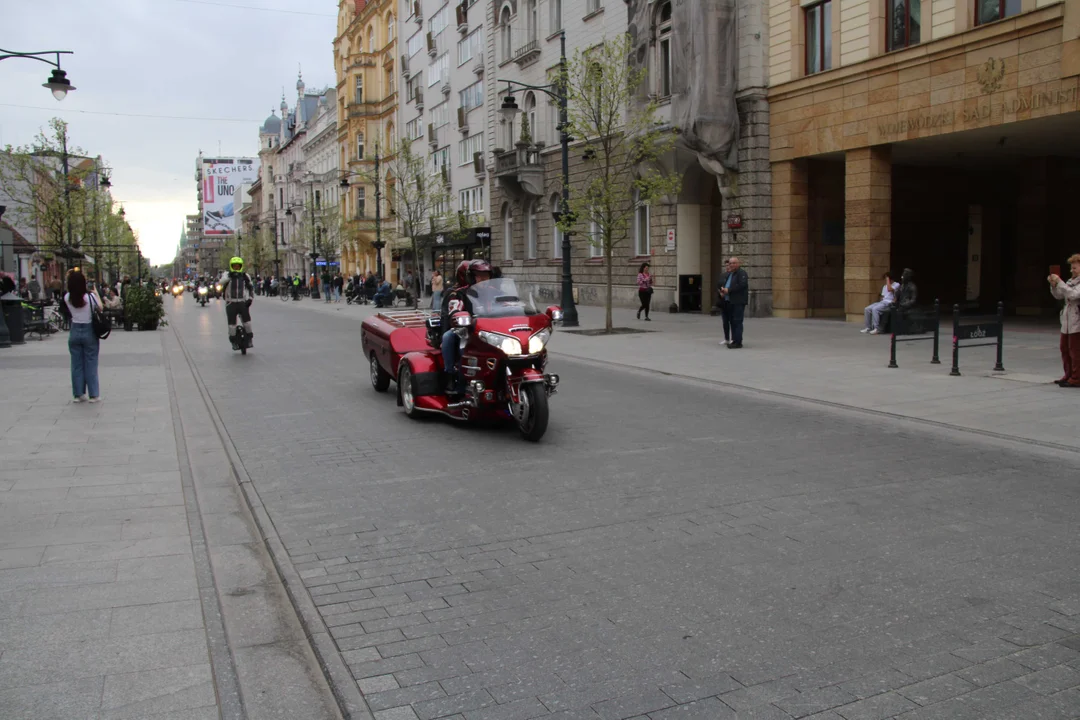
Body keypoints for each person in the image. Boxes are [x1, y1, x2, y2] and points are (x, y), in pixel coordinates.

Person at [441, 259, 491, 396]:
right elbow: (453, 311)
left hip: (492, 330)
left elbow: (510, 304)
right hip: (468, 330)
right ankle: (450, 375)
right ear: (471, 277)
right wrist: (458, 316)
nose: (483, 279)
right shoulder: (460, 293)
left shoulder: (495, 292)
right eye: (479, 276)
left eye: (486, 276)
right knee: (448, 337)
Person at [65, 270, 102, 403]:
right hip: (89, 330)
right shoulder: (90, 298)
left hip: (74, 330)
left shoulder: (67, 297)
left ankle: (78, 394)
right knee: (91, 363)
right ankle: (94, 394)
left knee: (76, 364)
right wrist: (95, 292)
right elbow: (100, 307)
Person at [1049, 254, 1080, 388]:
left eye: (1075, 267)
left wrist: (1060, 282)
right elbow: (1059, 296)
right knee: (1064, 349)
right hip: (1067, 321)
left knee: (1075, 351)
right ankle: (1068, 374)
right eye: (1071, 267)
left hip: (1077, 321)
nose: (1072, 270)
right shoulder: (1069, 281)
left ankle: (1077, 377)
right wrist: (1054, 285)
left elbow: (1073, 295)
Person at [219, 256, 255, 348]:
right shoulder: (227, 274)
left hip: (242, 302)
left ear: (240, 266)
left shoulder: (245, 276)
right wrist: (229, 277)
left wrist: (250, 299)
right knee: (232, 324)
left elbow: (250, 288)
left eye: (238, 266)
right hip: (231, 303)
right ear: (231, 266)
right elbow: (221, 282)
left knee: (247, 322)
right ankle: (233, 341)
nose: (236, 268)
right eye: (234, 266)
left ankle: (250, 339)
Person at [719, 256, 749, 348]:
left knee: (737, 321)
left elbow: (741, 285)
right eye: (730, 263)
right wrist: (723, 291)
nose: (732, 265)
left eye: (734, 263)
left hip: (738, 301)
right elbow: (724, 284)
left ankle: (738, 342)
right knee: (732, 321)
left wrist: (729, 290)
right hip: (729, 301)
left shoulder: (741, 273)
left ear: (738, 264)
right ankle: (734, 340)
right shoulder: (730, 274)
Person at [716, 259, 733, 346]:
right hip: (723, 301)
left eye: (729, 265)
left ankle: (733, 338)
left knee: (732, 321)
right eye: (726, 265)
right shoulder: (722, 275)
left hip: (731, 301)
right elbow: (718, 286)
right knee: (725, 321)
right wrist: (720, 292)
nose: (727, 267)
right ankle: (726, 338)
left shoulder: (734, 276)